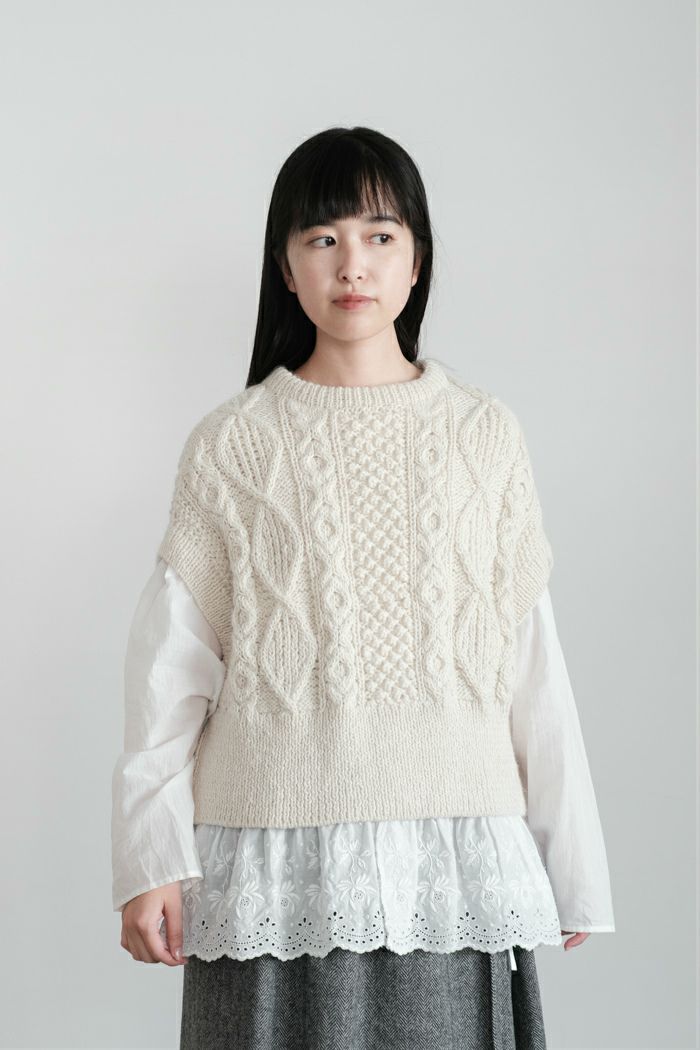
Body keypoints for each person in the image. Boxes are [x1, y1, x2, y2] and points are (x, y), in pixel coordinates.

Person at [111, 126, 615, 1050]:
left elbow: (532, 665)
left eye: (381, 236)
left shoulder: (483, 435)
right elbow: (168, 673)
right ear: (287, 266)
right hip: (274, 871)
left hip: (452, 871)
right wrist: (150, 858)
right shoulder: (234, 445)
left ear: (418, 261)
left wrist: (571, 864)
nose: (353, 264)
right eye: (323, 238)